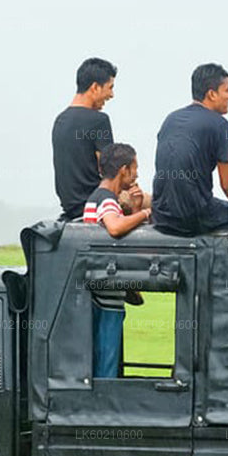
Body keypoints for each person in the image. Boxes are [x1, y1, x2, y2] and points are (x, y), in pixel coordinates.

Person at [152, 63, 228, 236]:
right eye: (227, 90)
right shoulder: (221, 125)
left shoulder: (170, 119)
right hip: (193, 218)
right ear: (212, 94)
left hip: (161, 215)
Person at [83, 143, 151, 378]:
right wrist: (145, 213)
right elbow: (114, 227)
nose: (137, 174)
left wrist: (134, 208)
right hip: (108, 299)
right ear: (124, 170)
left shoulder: (95, 198)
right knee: (107, 365)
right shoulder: (108, 200)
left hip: (98, 294)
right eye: (135, 168)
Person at [52, 58, 147, 221]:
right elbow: (111, 169)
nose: (111, 95)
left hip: (71, 206)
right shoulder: (98, 120)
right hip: (96, 201)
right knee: (154, 203)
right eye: (110, 87)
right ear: (95, 87)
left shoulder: (60, 121)